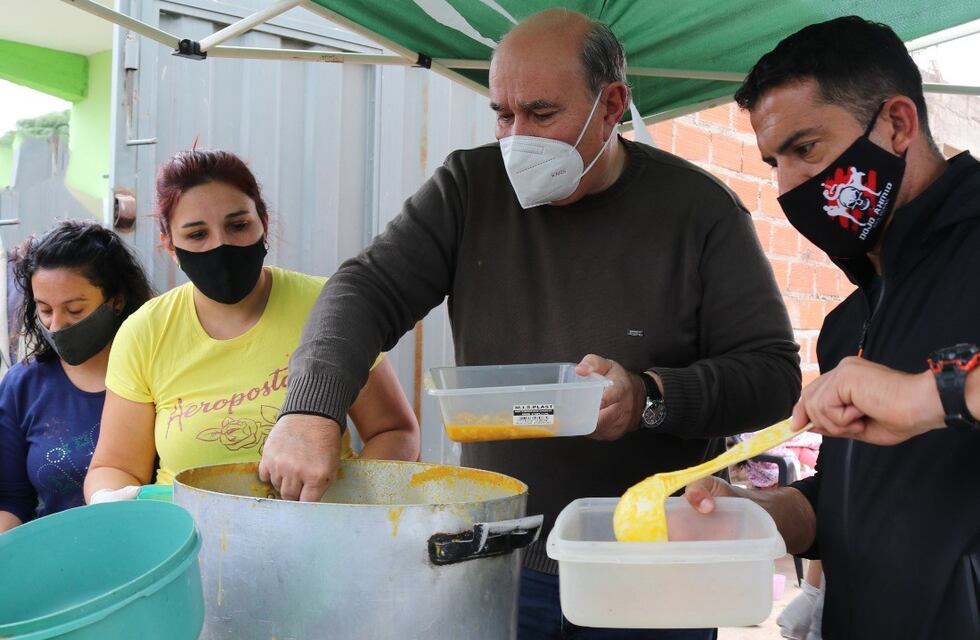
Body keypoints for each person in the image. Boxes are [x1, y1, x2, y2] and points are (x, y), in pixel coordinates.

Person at [263, 10, 801, 638]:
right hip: (498, 553)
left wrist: (650, 397)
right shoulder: (470, 187)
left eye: (543, 114)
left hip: (650, 563)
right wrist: (311, 408)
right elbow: (366, 288)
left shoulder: (700, 212)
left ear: (612, 104)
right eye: (502, 115)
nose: (518, 137)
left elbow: (771, 374)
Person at [683, 16, 980, 640]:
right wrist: (762, 514)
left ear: (897, 124)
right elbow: (863, 494)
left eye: (806, 148)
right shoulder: (852, 321)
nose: (787, 184)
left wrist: (930, 394)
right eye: (773, 161)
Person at [83, 150, 419, 502]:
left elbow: (395, 431)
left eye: (238, 226)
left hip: (320, 533)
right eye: (197, 235)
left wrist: (352, 506)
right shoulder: (144, 332)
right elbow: (116, 465)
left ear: (263, 223)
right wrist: (111, 497)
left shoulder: (329, 307)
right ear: (170, 245)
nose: (221, 245)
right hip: (190, 538)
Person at [0, 221, 153, 531]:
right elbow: (11, 499)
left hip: (142, 551)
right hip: (55, 560)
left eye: (75, 310)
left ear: (117, 299)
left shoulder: (154, 371)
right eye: (45, 310)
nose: (57, 325)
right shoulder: (22, 385)